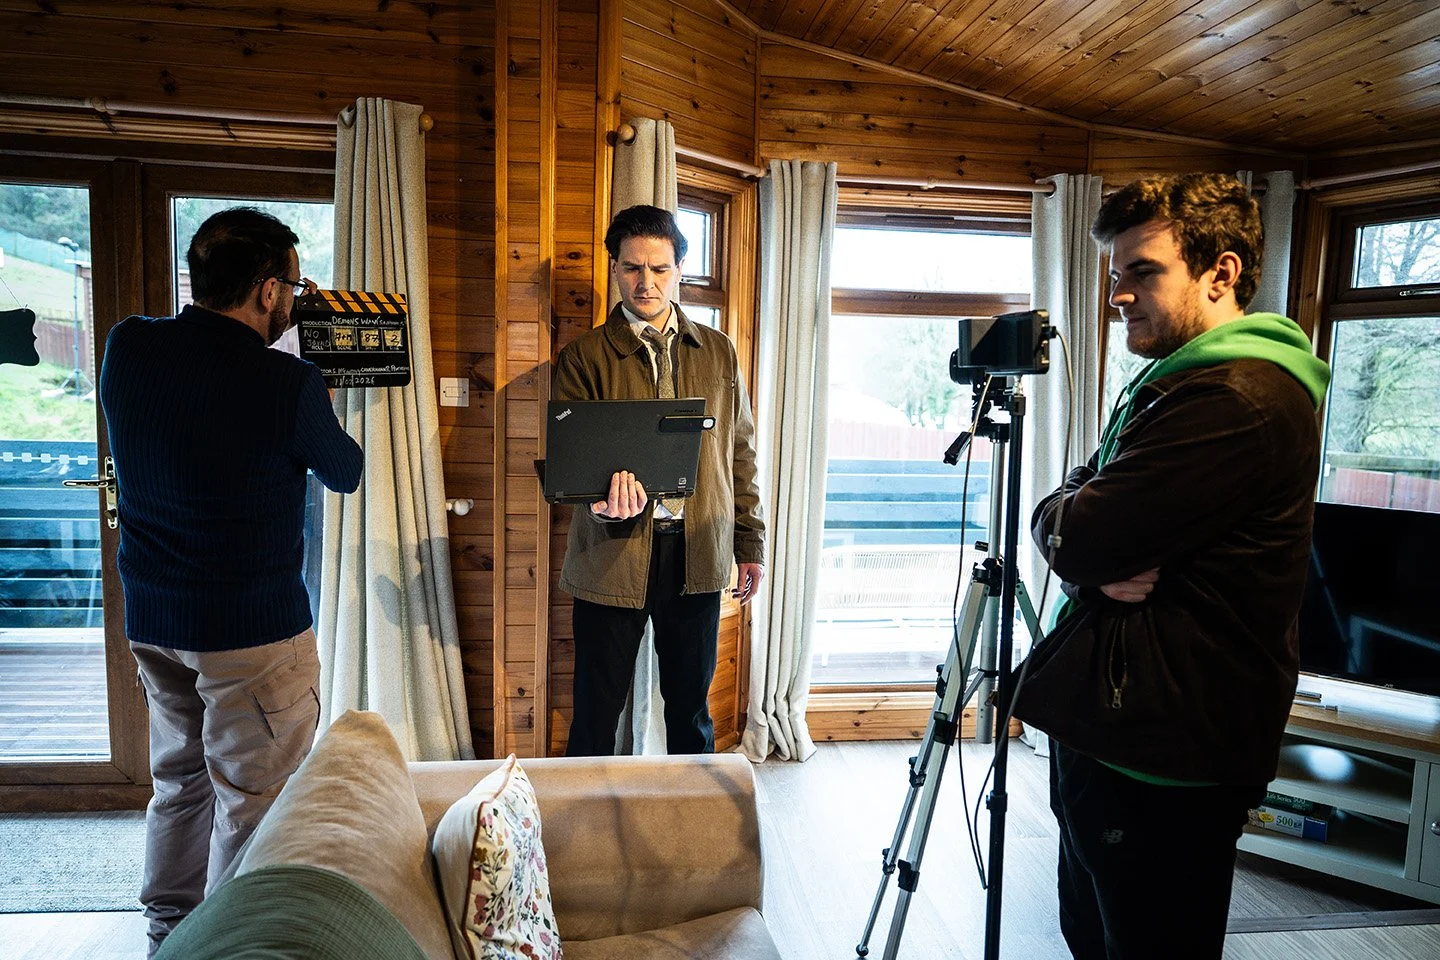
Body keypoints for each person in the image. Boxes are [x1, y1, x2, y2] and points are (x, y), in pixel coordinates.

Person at [1012, 173, 1331, 960]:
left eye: (1143, 272)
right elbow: (1071, 511)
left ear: (1221, 273)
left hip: (1163, 749)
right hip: (1123, 727)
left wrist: (1076, 541)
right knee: (1093, 935)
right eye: (1116, 275)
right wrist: (1077, 535)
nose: (1119, 295)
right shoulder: (1175, 385)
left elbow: (1079, 534)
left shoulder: (1236, 399)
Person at [99, 207, 363, 955]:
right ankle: (233, 947)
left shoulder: (129, 347)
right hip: (252, 636)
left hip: (156, 621)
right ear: (270, 291)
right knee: (254, 804)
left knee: (179, 784)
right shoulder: (287, 381)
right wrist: (317, 391)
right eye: (296, 286)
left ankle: (168, 936)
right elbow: (344, 471)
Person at [554, 204, 765, 756]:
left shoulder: (718, 350)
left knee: (691, 711)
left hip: (697, 552)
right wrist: (602, 504)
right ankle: (582, 833)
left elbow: (738, 453)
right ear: (614, 269)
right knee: (597, 711)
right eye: (631, 268)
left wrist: (750, 543)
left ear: (678, 271)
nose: (645, 282)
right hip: (611, 555)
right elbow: (571, 461)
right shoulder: (583, 357)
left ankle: (690, 829)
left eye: (659, 268)